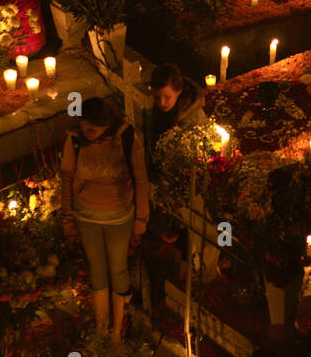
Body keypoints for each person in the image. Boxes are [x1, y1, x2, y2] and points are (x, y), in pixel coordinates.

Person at [59, 98, 149, 342]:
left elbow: (141, 178)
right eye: (83, 127)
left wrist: (141, 218)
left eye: (92, 130)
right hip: (85, 215)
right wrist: (67, 218)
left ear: (106, 125)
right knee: (97, 270)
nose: (86, 133)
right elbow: (67, 176)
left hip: (119, 216)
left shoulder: (125, 136)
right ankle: (101, 328)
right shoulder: (75, 138)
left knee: (118, 269)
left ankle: (116, 330)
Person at [146, 63, 207, 146]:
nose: (161, 103)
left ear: (178, 91)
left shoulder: (192, 117)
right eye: (157, 98)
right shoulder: (161, 110)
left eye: (167, 97)